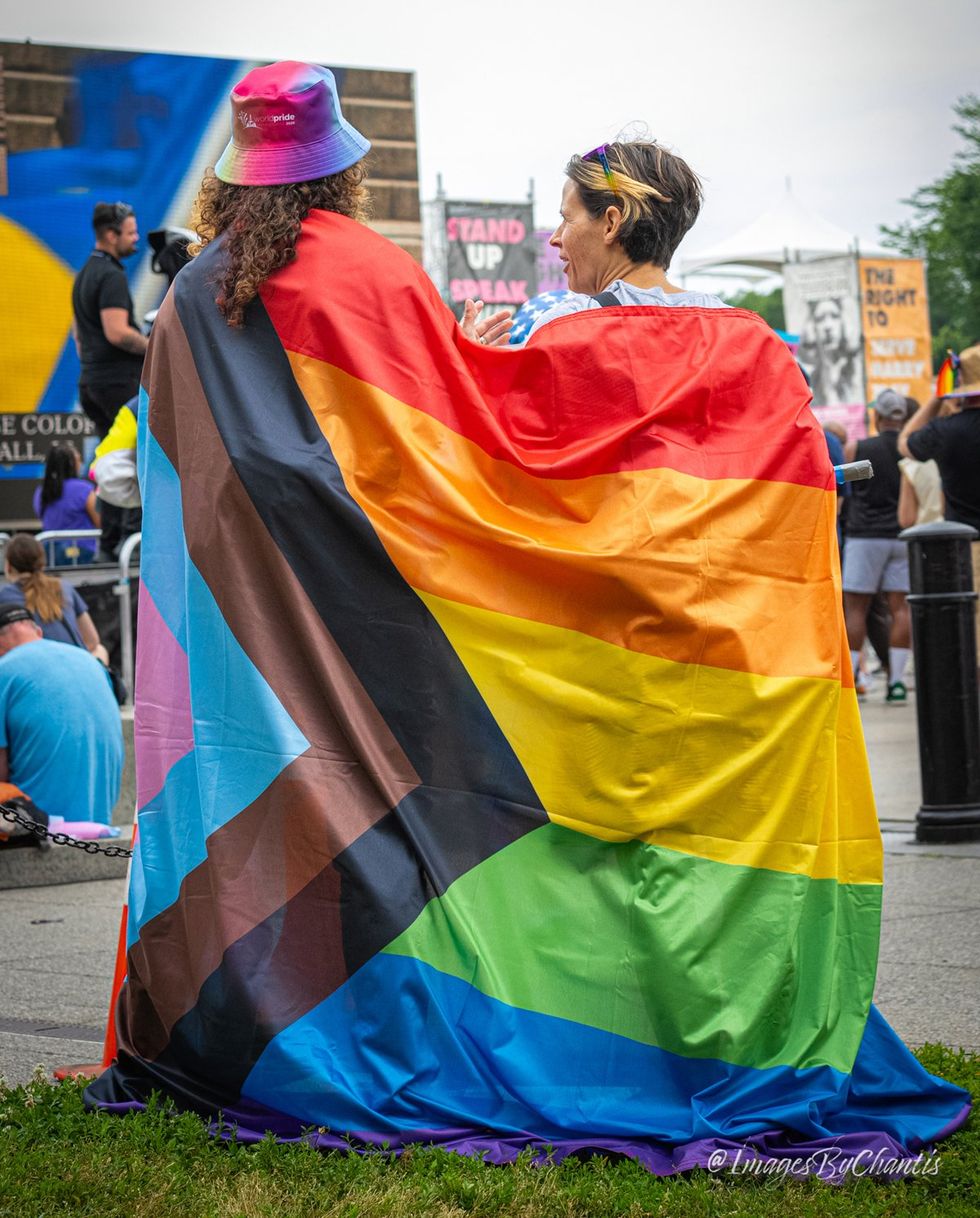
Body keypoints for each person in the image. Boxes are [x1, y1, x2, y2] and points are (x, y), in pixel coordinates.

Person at [85, 63, 968, 1169]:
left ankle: (282, 1004)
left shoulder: (255, 296)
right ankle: (669, 1020)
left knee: (380, 821)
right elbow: (759, 508)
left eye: (564, 215)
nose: (553, 237)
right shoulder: (747, 348)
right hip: (697, 664)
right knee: (623, 853)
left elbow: (454, 460)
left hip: (273, 628)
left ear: (612, 219)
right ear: (338, 166)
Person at [526, 140, 726, 337]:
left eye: (566, 219)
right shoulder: (731, 326)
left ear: (611, 224)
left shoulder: (564, 328)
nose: (555, 238)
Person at [0, 603, 123, 825]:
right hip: (98, 819)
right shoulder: (90, 662)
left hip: (35, 822)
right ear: (37, 631)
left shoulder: (4, 670)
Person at [899, 343, 980, 658]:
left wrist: (937, 397)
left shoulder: (947, 431)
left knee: (971, 639)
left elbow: (905, 443)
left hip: (967, 546)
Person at [841, 388, 912, 702]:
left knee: (856, 608)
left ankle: (854, 675)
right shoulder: (909, 450)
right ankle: (896, 682)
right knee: (901, 610)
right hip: (900, 536)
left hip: (864, 537)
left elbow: (843, 490)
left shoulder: (858, 448)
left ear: (877, 416)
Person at [71, 201, 148, 440]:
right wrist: (155, 346)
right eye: (130, 232)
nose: (136, 237)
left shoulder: (84, 273)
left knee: (109, 460)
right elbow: (117, 333)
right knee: (131, 461)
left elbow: (79, 337)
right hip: (117, 385)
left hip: (90, 384)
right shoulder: (111, 276)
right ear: (111, 235)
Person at [0, 533, 109, 663]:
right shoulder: (64, 586)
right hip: (75, 665)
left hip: (35, 667)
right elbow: (92, 640)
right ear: (42, 563)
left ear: (8, 566)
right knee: (100, 650)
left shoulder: (4, 595)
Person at [33, 442, 99, 564]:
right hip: (82, 553)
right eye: (79, 460)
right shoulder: (84, 489)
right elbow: (99, 521)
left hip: (49, 553)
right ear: (71, 464)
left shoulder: (41, 492)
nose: (81, 464)